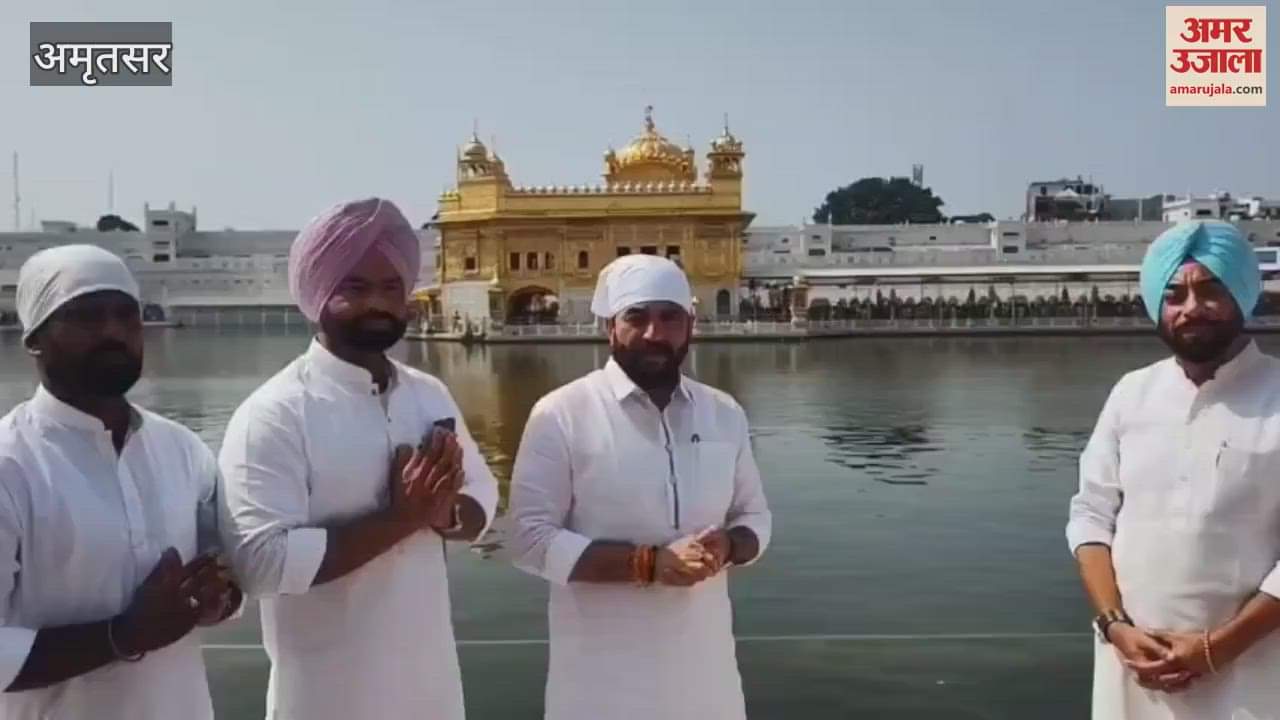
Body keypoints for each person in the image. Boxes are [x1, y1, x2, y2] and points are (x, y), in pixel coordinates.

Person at [218, 197, 498, 720]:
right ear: (317, 292)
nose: (378, 303)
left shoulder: (428, 394)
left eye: (391, 288)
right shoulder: (275, 414)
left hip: (431, 692)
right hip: (328, 698)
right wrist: (401, 520)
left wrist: (446, 514)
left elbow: (483, 497)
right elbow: (260, 565)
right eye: (355, 287)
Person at [509, 254, 772, 720]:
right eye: (637, 317)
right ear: (610, 327)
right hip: (602, 680)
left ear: (690, 325)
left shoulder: (723, 412)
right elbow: (528, 540)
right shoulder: (562, 413)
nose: (655, 333)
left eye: (670, 317)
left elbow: (755, 518)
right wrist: (650, 564)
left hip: (705, 673)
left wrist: (729, 544)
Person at [0, 245, 240, 719]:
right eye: (87, 317)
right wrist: (123, 635)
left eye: (126, 316)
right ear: (35, 338)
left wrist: (218, 599)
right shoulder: (11, 464)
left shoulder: (182, 448)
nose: (113, 332)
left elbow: (224, 578)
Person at [1067, 220, 1280, 718]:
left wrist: (1217, 649)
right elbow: (1091, 516)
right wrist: (1115, 626)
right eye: (1174, 295)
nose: (1191, 309)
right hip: (1132, 664)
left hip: (1254, 671)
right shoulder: (1131, 393)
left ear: (1243, 295)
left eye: (1211, 290)